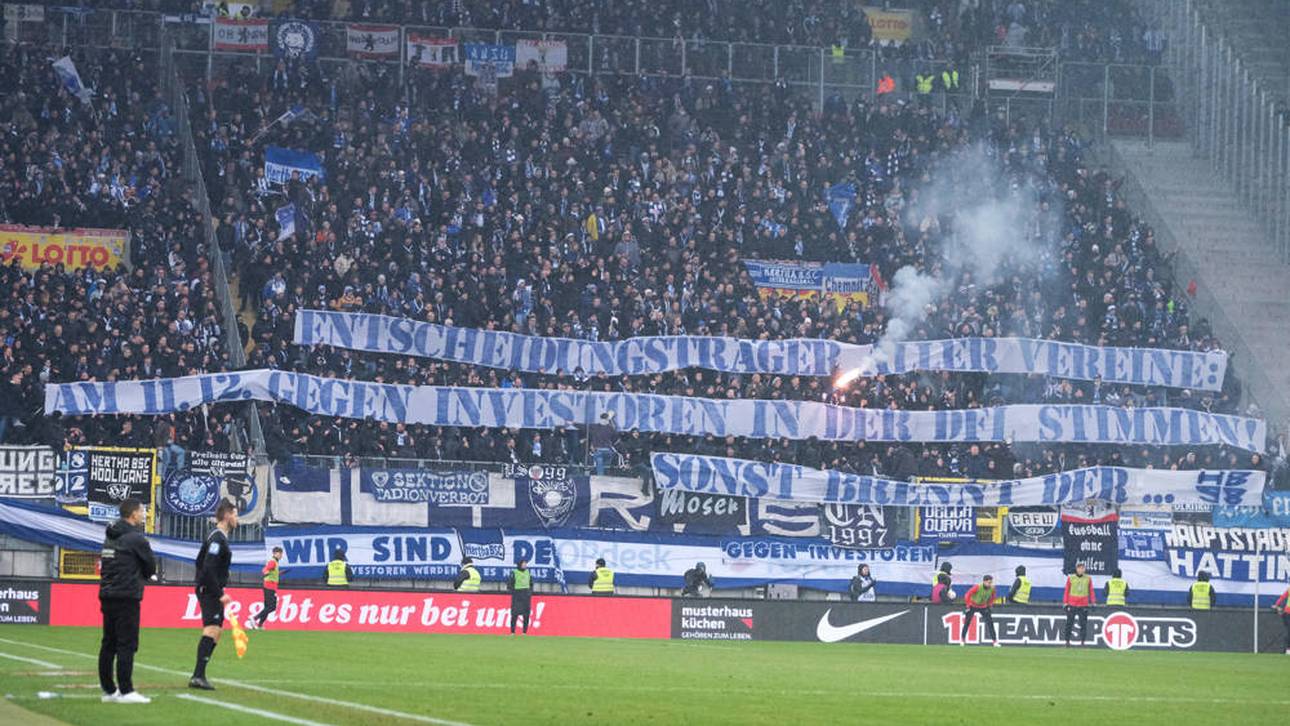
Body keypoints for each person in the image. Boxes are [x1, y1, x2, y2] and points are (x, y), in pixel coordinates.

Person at [98, 498, 156, 704]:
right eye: (142, 511)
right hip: (127, 596)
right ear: (133, 514)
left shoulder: (110, 536)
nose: (144, 514)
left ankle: (109, 690)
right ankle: (126, 690)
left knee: (109, 643)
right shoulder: (136, 539)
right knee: (127, 644)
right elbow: (150, 567)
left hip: (107, 593)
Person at [190, 499, 237, 690]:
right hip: (210, 590)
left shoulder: (218, 537)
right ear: (226, 516)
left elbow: (199, 562)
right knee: (211, 629)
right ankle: (197, 676)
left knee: (217, 632)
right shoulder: (217, 539)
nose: (237, 519)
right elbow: (208, 566)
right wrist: (218, 592)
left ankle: (199, 674)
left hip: (211, 588)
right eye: (235, 514)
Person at [960, 575, 1002, 647]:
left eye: (991, 582)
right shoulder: (977, 587)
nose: (990, 584)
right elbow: (967, 595)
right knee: (967, 622)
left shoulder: (992, 588)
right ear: (984, 582)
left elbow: (993, 597)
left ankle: (995, 641)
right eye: (989, 582)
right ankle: (962, 640)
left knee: (990, 623)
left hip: (983, 606)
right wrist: (968, 605)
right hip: (973, 605)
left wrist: (989, 605)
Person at [1063, 563, 1096, 647]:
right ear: (1076, 569)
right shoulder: (1071, 578)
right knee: (1069, 623)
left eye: (1082, 568)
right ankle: (1067, 641)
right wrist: (1065, 603)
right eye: (1079, 568)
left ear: (1084, 569)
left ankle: (1082, 642)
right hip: (1072, 604)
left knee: (1083, 624)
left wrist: (1093, 602)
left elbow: (1091, 590)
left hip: (1083, 604)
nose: (1081, 570)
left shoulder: (1088, 578)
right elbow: (1067, 591)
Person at [251, 546, 284, 629]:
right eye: (280, 553)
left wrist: (277, 574)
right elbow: (265, 569)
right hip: (270, 586)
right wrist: (266, 572)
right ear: (275, 553)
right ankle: (254, 618)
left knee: (267, 607)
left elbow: (270, 572)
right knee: (272, 607)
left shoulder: (275, 562)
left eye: (281, 554)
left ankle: (260, 624)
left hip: (270, 586)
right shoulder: (273, 562)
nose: (281, 555)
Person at [507, 559, 532, 634]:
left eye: (525, 564)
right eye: (523, 564)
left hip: (526, 595)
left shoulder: (528, 572)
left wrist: (529, 592)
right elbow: (510, 584)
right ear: (519, 564)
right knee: (514, 614)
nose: (525, 565)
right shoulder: (514, 572)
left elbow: (531, 583)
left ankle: (524, 632)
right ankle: (512, 632)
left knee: (526, 615)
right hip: (517, 595)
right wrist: (513, 592)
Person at [1274, 584, 1290, 655]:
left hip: (1287, 613)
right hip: (1288, 613)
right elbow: (1282, 597)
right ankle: (1288, 649)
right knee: (1289, 631)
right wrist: (1277, 605)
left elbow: (1282, 597)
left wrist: (1277, 605)